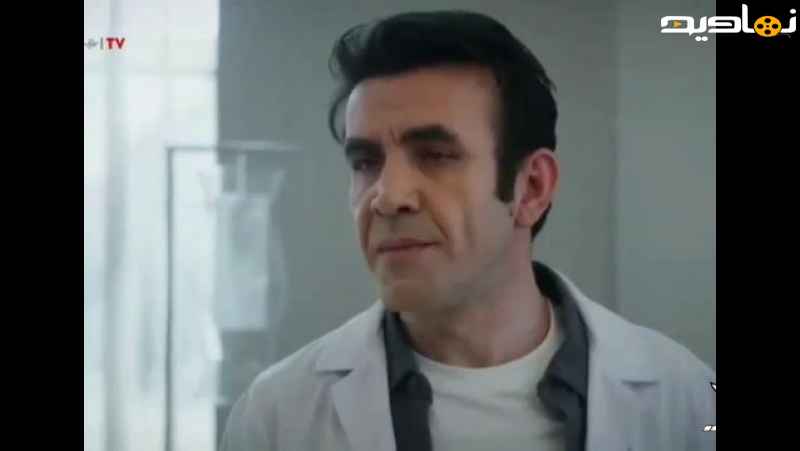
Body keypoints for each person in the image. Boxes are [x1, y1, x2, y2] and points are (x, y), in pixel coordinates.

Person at [221, 10, 715, 451]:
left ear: (532, 188)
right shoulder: (275, 418)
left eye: (435, 156)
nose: (388, 197)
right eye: (366, 162)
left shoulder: (686, 398)